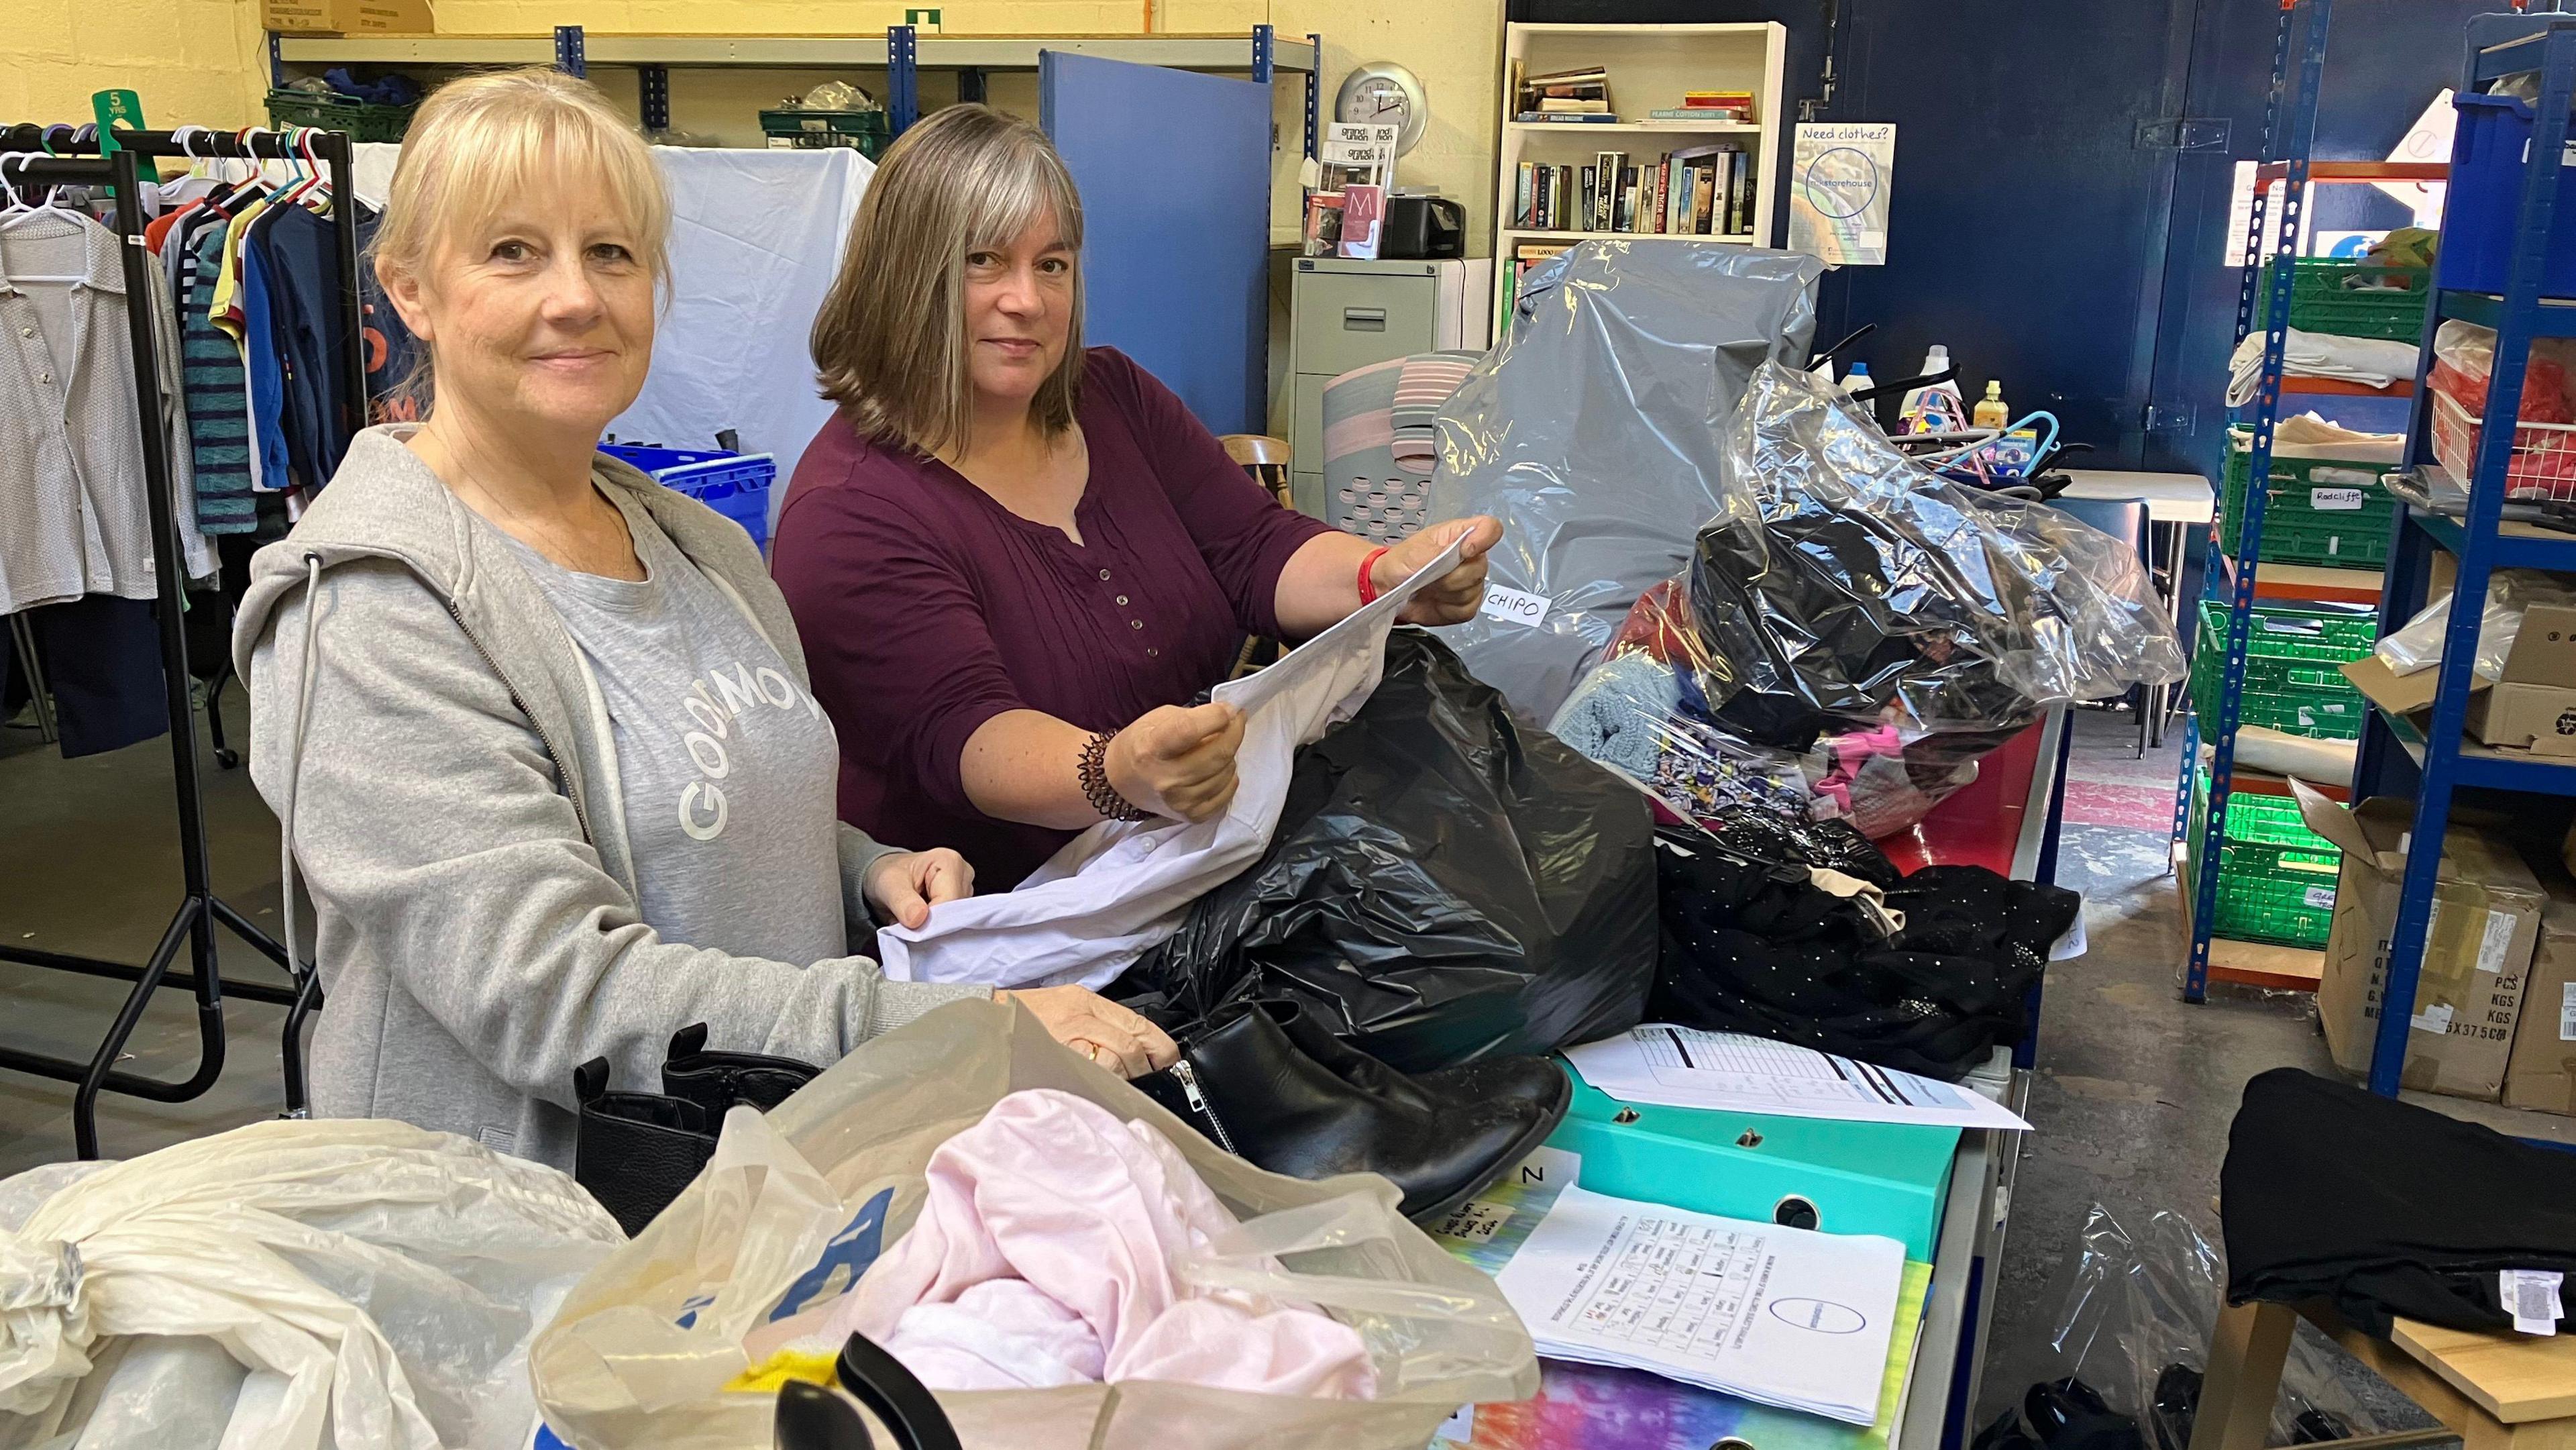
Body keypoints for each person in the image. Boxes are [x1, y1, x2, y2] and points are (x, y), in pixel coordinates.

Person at [232, 70, 1174, 1173]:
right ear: (409, 290)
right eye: (513, 252)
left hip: (749, 1185)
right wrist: (953, 1032)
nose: (577, 297)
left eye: (613, 253)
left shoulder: (699, 547)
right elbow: (556, 993)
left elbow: (698, 802)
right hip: (526, 1241)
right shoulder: (368, 609)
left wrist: (861, 868)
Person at [771, 105, 1502, 891]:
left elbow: (1253, 547)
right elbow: (966, 736)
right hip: (1020, 928)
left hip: (1186, 869)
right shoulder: (851, 510)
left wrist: (1385, 578)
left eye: (1052, 264)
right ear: (904, 276)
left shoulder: (1112, 396)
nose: (1027, 300)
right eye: (984, 261)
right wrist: (1114, 771)